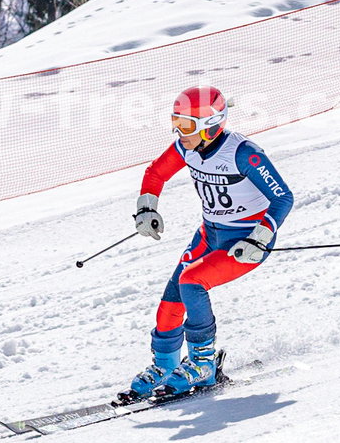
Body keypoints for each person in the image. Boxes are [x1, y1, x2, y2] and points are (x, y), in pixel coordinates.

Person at [121, 85, 294, 401]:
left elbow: (283, 197)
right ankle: (166, 366)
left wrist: (261, 236)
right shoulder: (187, 147)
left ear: (210, 125)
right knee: (171, 300)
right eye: (175, 121)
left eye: (185, 125)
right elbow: (155, 173)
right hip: (209, 235)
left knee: (192, 281)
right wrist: (147, 207)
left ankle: (202, 364)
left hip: (245, 241)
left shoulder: (242, 154)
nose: (178, 131)